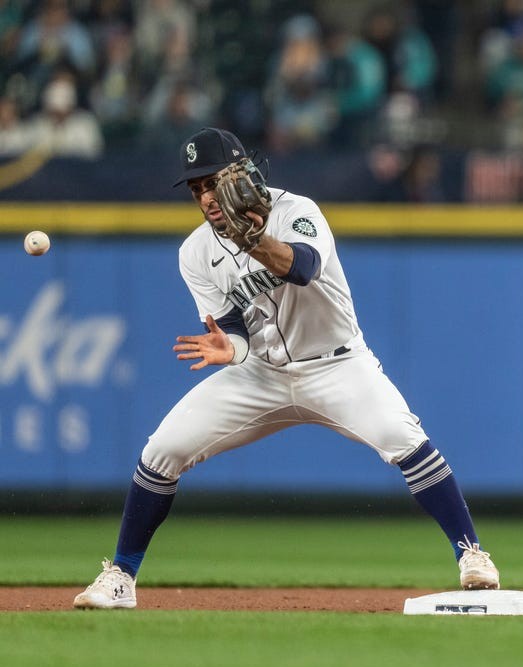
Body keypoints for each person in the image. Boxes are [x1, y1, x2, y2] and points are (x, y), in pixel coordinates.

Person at [73, 127, 500, 609]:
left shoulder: (297, 211)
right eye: (196, 189)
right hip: (261, 373)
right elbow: (233, 329)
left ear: (242, 174)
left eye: (213, 182)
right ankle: (121, 577)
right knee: (162, 450)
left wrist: (254, 240)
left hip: (338, 365)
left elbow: (302, 268)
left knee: (403, 438)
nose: (206, 197)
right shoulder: (194, 252)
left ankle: (471, 554)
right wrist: (230, 348)